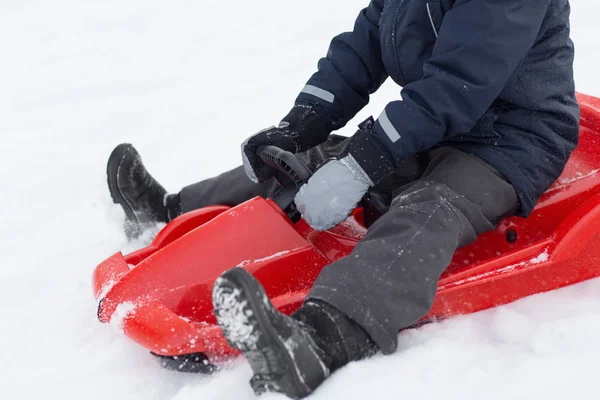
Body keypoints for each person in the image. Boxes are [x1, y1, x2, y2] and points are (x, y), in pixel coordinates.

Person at [107, 0, 579, 398]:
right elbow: (364, 46)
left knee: (431, 208)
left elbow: (457, 84)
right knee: (318, 158)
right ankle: (171, 210)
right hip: (442, 125)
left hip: (514, 139)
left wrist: (365, 163)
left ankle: (322, 337)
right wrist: (300, 126)